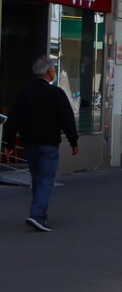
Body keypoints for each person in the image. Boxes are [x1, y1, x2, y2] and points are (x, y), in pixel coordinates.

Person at [1, 56, 79, 232]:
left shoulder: (24, 92)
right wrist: (73, 141)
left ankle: (40, 217)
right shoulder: (56, 93)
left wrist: (9, 143)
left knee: (38, 179)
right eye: (53, 70)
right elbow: (67, 119)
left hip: (29, 144)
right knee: (46, 179)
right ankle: (36, 215)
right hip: (49, 144)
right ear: (49, 72)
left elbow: (13, 119)